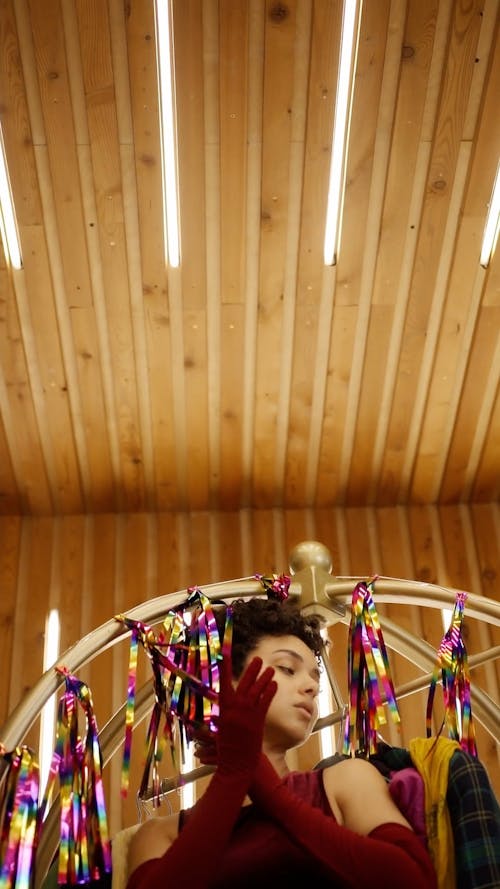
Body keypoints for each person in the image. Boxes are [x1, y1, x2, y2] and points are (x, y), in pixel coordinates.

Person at [126, 598, 437, 889]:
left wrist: (269, 791)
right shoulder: (158, 835)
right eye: (288, 669)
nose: (312, 687)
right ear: (221, 685)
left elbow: (414, 880)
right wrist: (233, 777)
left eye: (316, 679)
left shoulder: (346, 780)